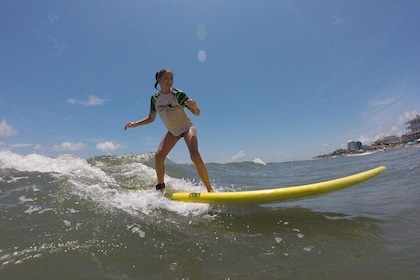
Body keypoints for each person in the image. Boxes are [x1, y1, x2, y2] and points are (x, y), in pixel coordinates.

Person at [124, 68, 214, 193]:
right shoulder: (155, 98)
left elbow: (197, 113)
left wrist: (194, 106)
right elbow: (151, 118)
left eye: (171, 78)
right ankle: (161, 188)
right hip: (173, 131)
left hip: (187, 127)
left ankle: (210, 189)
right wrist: (135, 124)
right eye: (166, 78)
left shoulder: (178, 94)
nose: (169, 81)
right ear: (158, 80)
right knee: (159, 156)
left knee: (194, 154)